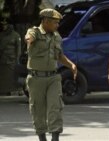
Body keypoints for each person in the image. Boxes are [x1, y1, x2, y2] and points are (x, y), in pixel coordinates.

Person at [25, 8, 77, 141]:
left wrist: (71, 65)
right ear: (46, 22)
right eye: (55, 22)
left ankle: (55, 138)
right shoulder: (34, 32)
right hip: (36, 78)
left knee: (55, 107)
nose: (57, 25)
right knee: (38, 110)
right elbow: (29, 37)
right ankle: (42, 138)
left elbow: (59, 56)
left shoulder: (57, 36)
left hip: (53, 77)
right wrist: (29, 39)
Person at [0, 9, 21, 94]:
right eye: (2, 25)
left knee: (11, 77)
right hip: (2, 60)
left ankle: (12, 91)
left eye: (6, 25)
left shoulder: (16, 35)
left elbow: (18, 49)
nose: (4, 26)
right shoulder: (1, 35)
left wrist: (17, 60)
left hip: (11, 60)